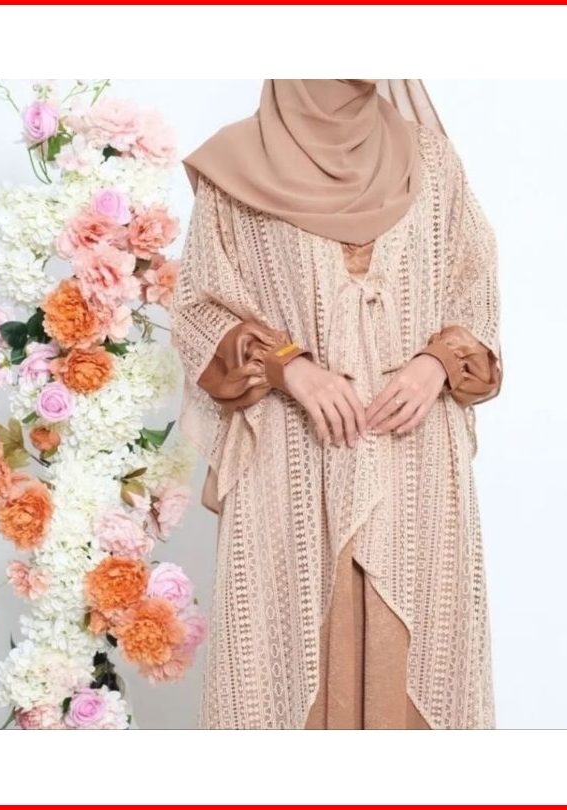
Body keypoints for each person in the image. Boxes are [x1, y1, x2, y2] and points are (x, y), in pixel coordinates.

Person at [170, 79, 503, 730]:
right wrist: (289, 367)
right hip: (290, 469)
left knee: (415, 669)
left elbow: (475, 286)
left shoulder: (430, 159)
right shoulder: (236, 167)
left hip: (415, 468)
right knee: (288, 673)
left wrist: (437, 362)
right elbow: (198, 311)